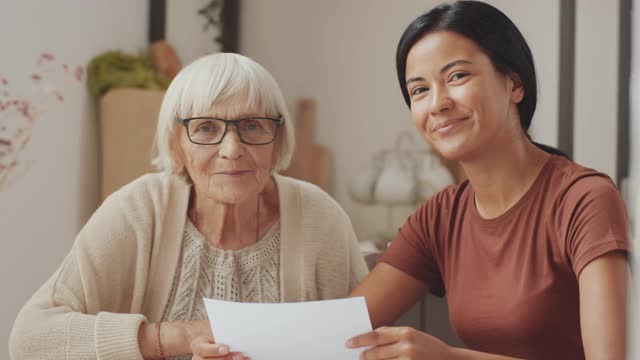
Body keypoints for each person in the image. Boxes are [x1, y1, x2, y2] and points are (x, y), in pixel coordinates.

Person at [9, 53, 368, 360]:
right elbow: (31, 339)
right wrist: (181, 336)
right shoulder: (139, 210)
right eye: (207, 128)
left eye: (253, 126)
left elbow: (365, 345)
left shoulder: (320, 218)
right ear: (177, 143)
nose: (231, 149)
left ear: (278, 141)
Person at [342, 1, 631, 359]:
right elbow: (339, 332)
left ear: (514, 85)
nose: (437, 104)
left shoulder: (585, 199)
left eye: (457, 77)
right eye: (419, 90)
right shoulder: (441, 217)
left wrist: (451, 358)